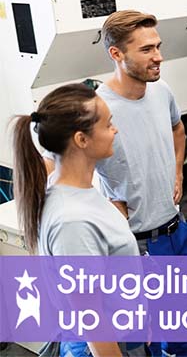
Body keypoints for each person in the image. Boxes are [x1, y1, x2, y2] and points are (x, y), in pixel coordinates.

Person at [95, 10, 187, 357]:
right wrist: (102, 204)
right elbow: (59, 169)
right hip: (134, 249)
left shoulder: (162, 91)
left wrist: (177, 173)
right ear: (116, 54)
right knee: (144, 344)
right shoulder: (96, 107)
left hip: (176, 233)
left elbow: (177, 129)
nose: (158, 57)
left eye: (158, 46)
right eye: (146, 50)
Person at [12, 83, 141, 357]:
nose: (114, 131)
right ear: (81, 140)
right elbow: (91, 319)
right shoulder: (71, 221)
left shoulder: (77, 191)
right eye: (107, 125)